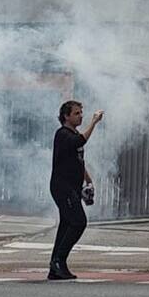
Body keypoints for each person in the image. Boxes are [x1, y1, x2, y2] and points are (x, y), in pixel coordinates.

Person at [48, 100, 103, 281]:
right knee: (78, 222)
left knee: (66, 224)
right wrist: (94, 122)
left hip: (72, 187)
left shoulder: (74, 134)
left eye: (81, 113)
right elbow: (80, 141)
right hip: (62, 187)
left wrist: (87, 179)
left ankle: (56, 266)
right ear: (66, 116)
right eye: (77, 113)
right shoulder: (63, 134)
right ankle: (58, 260)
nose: (80, 116)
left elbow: (79, 159)